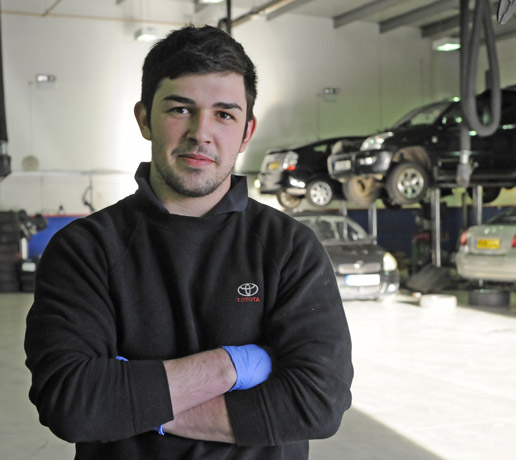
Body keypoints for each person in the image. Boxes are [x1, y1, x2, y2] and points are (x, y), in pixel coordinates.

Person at [24, 25, 353, 460]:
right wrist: (232, 365)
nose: (201, 132)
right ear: (145, 119)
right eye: (180, 109)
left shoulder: (290, 249)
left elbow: (318, 403)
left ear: (247, 131)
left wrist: (134, 404)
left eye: (224, 114)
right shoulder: (84, 250)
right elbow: (72, 404)